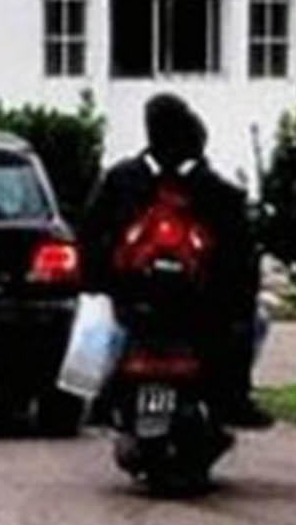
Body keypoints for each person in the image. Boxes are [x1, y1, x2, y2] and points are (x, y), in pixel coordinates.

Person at [76, 92, 274, 429]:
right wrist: (235, 298)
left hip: (130, 299)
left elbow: (90, 238)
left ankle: (102, 401)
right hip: (199, 305)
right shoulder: (218, 191)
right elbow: (240, 256)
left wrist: (101, 284)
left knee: (97, 326)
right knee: (255, 319)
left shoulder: (120, 179)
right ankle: (233, 401)